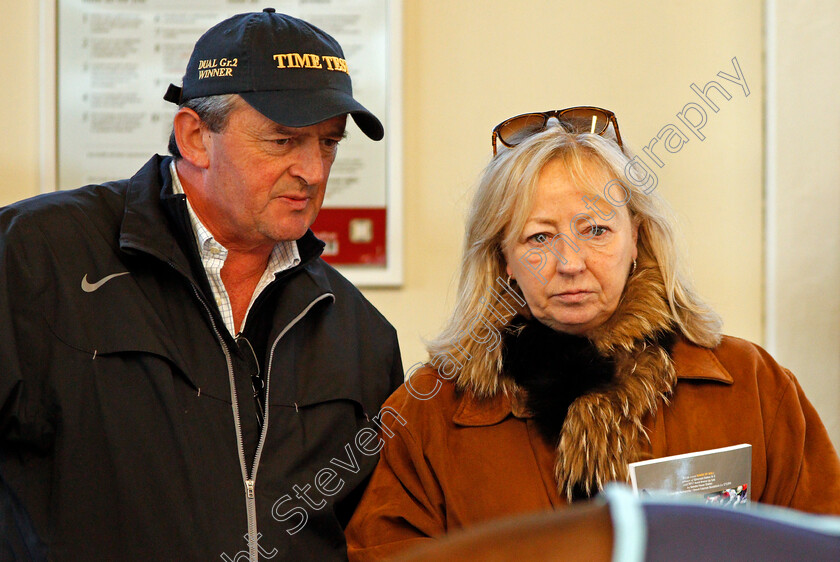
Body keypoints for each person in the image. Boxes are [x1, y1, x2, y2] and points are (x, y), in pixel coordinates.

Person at [344, 107, 840, 559]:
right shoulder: (428, 414)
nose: (570, 263)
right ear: (504, 259)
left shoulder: (752, 385)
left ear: (637, 238)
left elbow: (820, 541)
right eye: (539, 237)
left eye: (596, 230)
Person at [0, 9, 402, 561]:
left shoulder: (359, 330)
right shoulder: (36, 254)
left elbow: (372, 535)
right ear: (194, 136)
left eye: (328, 144)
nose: (313, 171)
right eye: (283, 141)